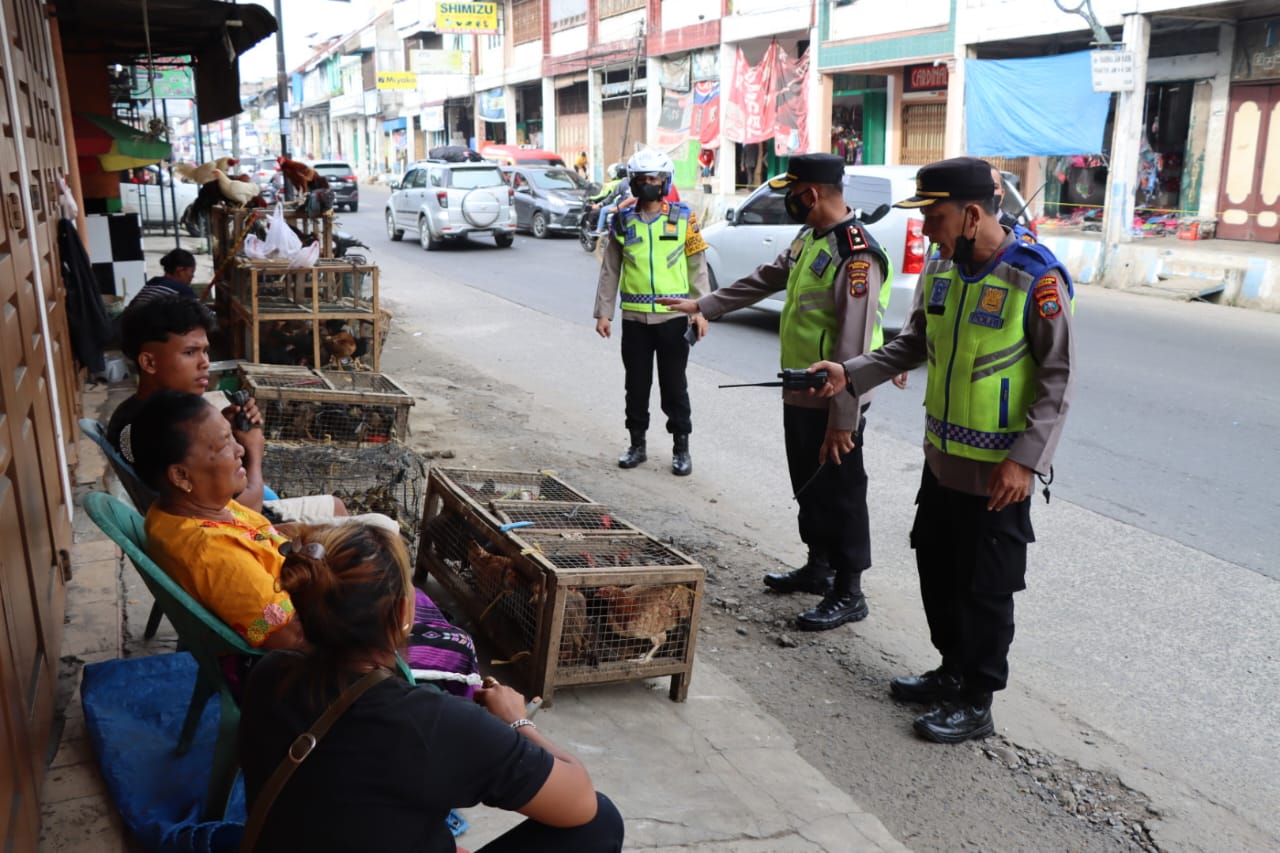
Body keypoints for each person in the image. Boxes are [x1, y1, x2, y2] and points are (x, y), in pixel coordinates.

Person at [809, 156, 1075, 744]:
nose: (926, 229)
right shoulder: (942, 270)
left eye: (934, 216)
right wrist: (848, 373)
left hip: (998, 473)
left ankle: (976, 700)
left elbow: (1058, 378)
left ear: (973, 214)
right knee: (937, 570)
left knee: (985, 587)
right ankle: (950, 670)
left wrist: (1026, 459)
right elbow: (910, 347)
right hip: (942, 462)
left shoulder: (1036, 277)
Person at [237, 521, 625, 853]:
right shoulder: (436, 723)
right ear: (404, 614)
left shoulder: (269, 674)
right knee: (602, 822)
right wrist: (518, 723)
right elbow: (580, 802)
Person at [658, 152, 891, 632]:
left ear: (811, 193)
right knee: (808, 484)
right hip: (800, 388)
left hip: (834, 400)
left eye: (792, 191)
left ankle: (849, 591)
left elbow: (853, 346)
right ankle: (818, 567)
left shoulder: (856, 253)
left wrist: (842, 419)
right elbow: (766, 278)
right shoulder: (811, 238)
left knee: (842, 492)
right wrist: (705, 304)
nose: (789, 200)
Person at [109, 295, 358, 525]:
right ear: (149, 362)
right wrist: (254, 449)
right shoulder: (150, 429)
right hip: (241, 531)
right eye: (189, 352)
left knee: (337, 507)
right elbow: (244, 509)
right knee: (360, 521)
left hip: (235, 519)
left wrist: (225, 432)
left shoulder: (141, 413)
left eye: (205, 351)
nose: (204, 362)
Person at [593, 148, 709, 476]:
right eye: (642, 179)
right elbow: (610, 270)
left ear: (665, 182)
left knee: (674, 386)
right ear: (633, 183)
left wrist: (701, 311)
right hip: (634, 320)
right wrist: (605, 312)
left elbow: (697, 267)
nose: (648, 184)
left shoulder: (684, 218)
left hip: (673, 320)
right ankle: (637, 445)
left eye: (654, 179)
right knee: (637, 385)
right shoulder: (621, 220)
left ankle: (681, 449)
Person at [129, 248, 200, 308]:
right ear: (180, 271)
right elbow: (206, 317)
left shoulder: (152, 283)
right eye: (192, 271)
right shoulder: (182, 291)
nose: (192, 276)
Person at [991, 165, 1037, 244]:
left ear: (1002, 194)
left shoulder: (1021, 237)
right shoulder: (964, 230)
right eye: (980, 187)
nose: (988, 191)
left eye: (994, 187)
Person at [588, 163, 628, 235]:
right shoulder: (632, 182)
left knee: (603, 210)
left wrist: (598, 204)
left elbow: (609, 197)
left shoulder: (619, 184)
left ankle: (599, 230)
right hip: (631, 205)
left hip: (619, 205)